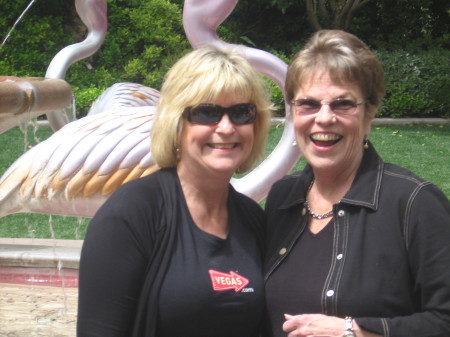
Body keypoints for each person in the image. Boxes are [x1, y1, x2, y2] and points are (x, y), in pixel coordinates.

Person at [264, 29, 450, 337]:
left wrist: (356, 331)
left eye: (342, 104)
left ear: (369, 113)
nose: (324, 118)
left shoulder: (414, 203)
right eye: (308, 103)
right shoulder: (283, 198)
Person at [77, 46, 272, 337]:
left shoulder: (253, 221)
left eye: (242, 112)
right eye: (207, 112)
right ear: (176, 123)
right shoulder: (131, 215)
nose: (227, 127)